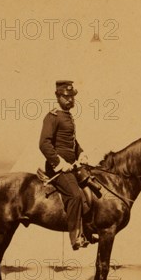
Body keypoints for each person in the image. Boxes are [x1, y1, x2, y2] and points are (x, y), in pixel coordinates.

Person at [39, 80, 91, 250]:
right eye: (66, 96)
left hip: (72, 164)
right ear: (58, 96)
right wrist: (60, 163)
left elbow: (71, 142)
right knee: (75, 195)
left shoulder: (68, 116)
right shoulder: (52, 117)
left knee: (93, 184)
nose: (70, 100)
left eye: (72, 96)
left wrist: (81, 153)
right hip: (58, 167)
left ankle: (89, 230)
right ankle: (75, 237)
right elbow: (44, 144)